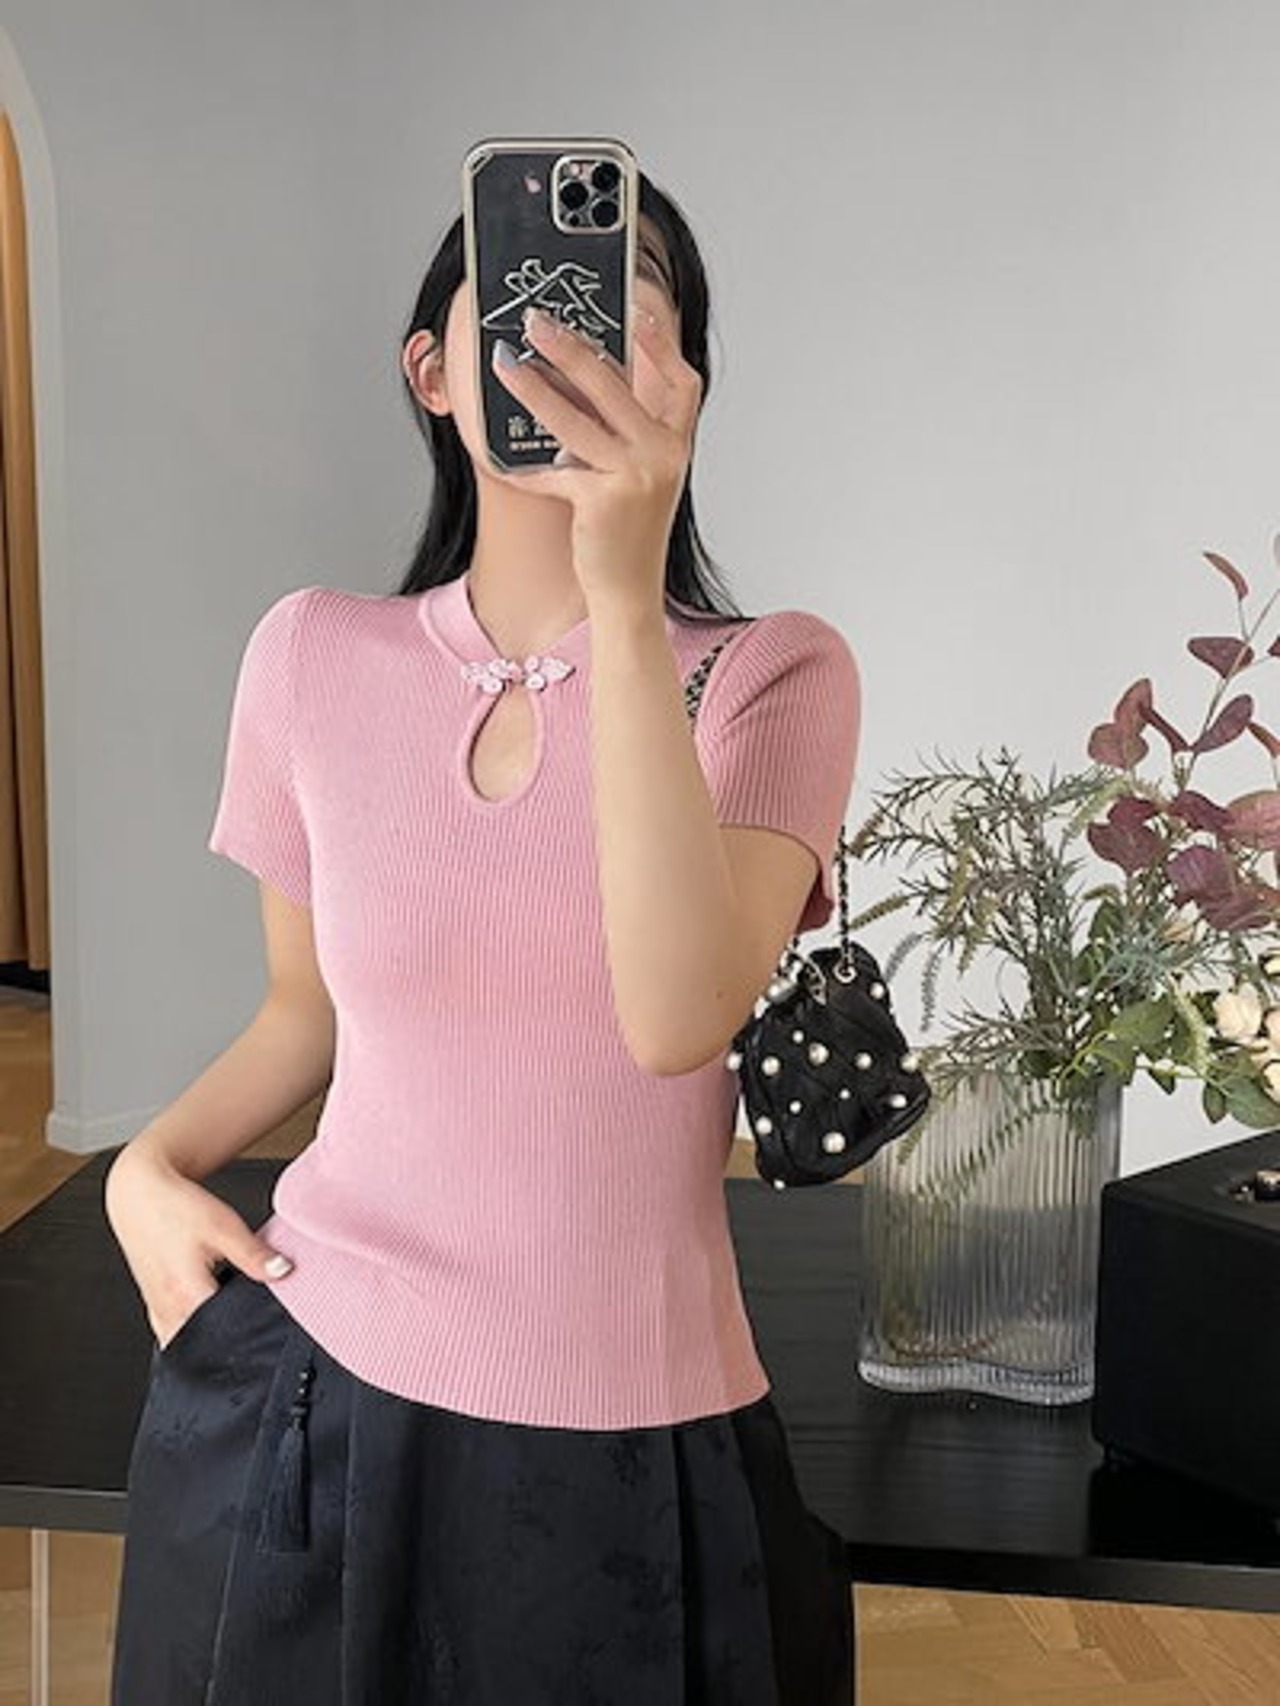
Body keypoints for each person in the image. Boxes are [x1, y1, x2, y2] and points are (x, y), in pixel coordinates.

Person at [105, 168, 861, 1704]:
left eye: (628, 301)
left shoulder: (775, 677)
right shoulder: (309, 653)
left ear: (683, 385)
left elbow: (676, 1018)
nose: (573, 329)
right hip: (316, 1395)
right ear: (431, 370)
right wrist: (144, 1169)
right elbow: (305, 1012)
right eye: (530, 290)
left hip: (636, 1435)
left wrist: (623, 602)